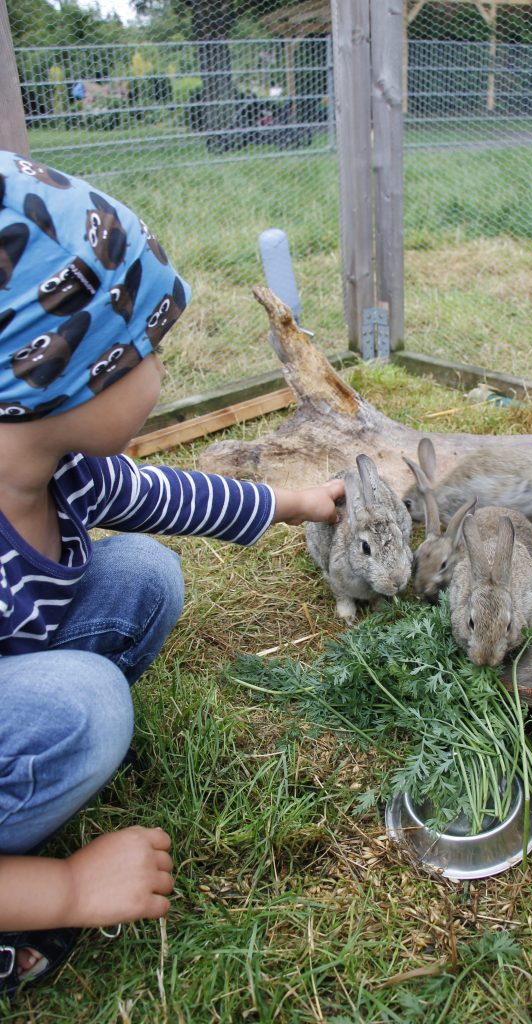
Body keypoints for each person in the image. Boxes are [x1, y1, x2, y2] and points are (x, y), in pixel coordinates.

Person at [0, 151, 344, 998]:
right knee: (84, 703)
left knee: (144, 571)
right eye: (144, 352)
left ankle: (52, 745)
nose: (163, 374)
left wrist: (292, 502)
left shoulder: (54, 467)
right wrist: (68, 888)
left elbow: (159, 495)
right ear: (58, 377)